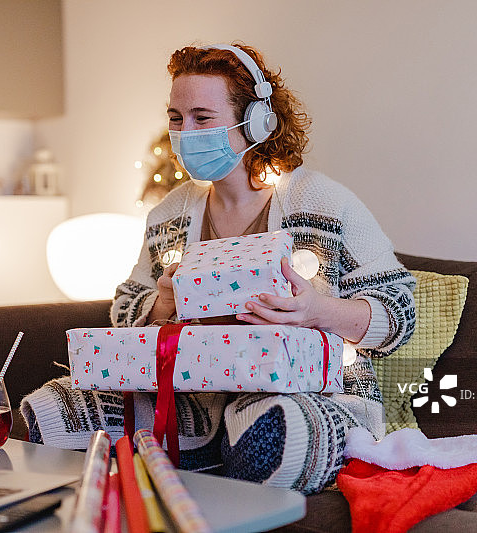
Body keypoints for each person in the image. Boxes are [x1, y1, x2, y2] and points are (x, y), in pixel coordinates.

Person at [108, 43, 416, 494]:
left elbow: (400, 313)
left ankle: (222, 456)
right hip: (189, 399)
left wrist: (317, 312)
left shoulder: (324, 202)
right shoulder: (168, 216)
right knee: (52, 411)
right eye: (176, 118)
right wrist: (160, 304)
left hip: (307, 393)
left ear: (256, 121)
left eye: (202, 117)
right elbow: (123, 307)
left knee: (272, 435)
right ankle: (205, 452)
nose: (184, 132)